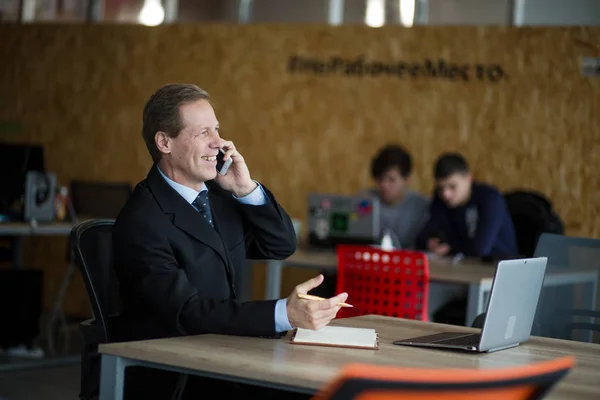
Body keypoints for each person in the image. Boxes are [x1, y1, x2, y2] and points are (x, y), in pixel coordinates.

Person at [112, 83, 347, 399]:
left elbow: (279, 245)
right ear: (164, 142)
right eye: (203, 133)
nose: (220, 143)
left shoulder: (218, 198)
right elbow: (186, 312)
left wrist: (246, 188)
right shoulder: (142, 219)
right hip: (177, 376)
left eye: (217, 130)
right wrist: (283, 314)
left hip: (230, 355)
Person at [417, 152, 519, 259]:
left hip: (498, 266)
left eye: (452, 186)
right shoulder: (440, 200)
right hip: (461, 267)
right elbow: (423, 237)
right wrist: (430, 243)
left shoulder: (490, 199)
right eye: (441, 188)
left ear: (468, 179)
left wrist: (449, 248)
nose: (446, 194)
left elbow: (480, 249)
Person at [362, 144, 429, 249]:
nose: (384, 185)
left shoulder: (421, 207)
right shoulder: (364, 201)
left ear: (407, 179)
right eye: (380, 179)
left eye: (391, 180)